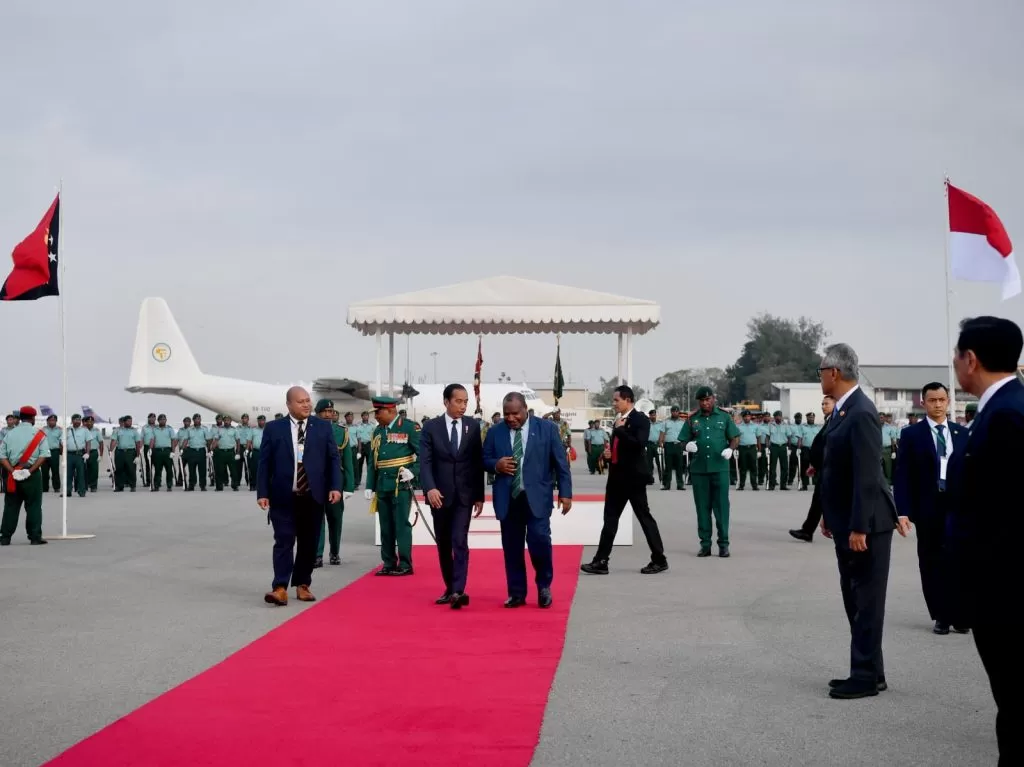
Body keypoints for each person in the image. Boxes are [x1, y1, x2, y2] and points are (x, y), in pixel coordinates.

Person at [947, 316, 1024, 763]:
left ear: (970, 359)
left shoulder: (1008, 415)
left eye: (957, 356)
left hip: (1006, 595)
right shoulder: (1003, 407)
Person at [817, 343, 908, 699]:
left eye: (821, 370)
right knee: (855, 600)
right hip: (847, 520)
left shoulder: (860, 412)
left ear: (835, 372)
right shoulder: (843, 411)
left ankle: (865, 677)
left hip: (867, 525)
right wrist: (830, 514)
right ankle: (872, 670)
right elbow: (836, 469)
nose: (821, 376)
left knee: (866, 601)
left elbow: (868, 475)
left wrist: (858, 526)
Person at [893, 382, 969, 635]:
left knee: (958, 560)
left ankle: (959, 613)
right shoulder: (911, 435)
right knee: (931, 560)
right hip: (928, 507)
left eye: (942, 400)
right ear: (923, 403)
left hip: (957, 506)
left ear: (948, 401)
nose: (938, 405)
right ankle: (941, 615)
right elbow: (902, 475)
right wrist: (901, 511)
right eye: (932, 400)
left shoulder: (962, 433)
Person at [483, 392, 572, 608]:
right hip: (508, 498)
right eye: (507, 414)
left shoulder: (547, 429)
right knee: (512, 548)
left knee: (540, 541)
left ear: (525, 410)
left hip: (537, 498)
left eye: (515, 413)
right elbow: (483, 459)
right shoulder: (495, 432)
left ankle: (544, 586)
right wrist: (496, 465)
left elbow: (561, 463)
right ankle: (516, 593)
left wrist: (566, 493)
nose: (511, 418)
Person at [257, 386, 342, 606]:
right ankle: (280, 587)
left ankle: (303, 584)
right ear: (289, 405)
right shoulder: (274, 429)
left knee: (309, 543)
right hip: (283, 495)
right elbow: (264, 463)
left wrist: (335, 487)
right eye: (300, 401)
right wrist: (263, 493)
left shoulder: (322, 427)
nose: (306, 405)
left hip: (313, 495)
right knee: (283, 540)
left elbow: (333, 459)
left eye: (308, 401)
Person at [581, 385, 668, 575]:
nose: (613, 404)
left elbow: (639, 444)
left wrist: (620, 431)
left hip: (633, 478)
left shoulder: (640, 420)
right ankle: (601, 561)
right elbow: (621, 446)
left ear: (627, 400)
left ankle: (659, 559)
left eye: (616, 400)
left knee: (644, 518)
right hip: (616, 478)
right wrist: (609, 454)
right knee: (610, 519)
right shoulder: (618, 420)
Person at [419, 384, 485, 609]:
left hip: (464, 496)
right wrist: (430, 488)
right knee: (444, 544)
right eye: (458, 401)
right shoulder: (431, 427)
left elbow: (477, 462)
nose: (463, 406)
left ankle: (458, 590)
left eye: (466, 402)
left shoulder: (473, 426)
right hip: (439, 495)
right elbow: (425, 462)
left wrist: (479, 495)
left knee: (459, 540)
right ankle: (450, 587)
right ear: (446, 401)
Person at [679, 386, 740, 557]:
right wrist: (687, 446)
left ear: (713, 399)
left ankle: (724, 544)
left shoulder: (724, 417)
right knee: (702, 508)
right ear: (698, 402)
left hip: (719, 468)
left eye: (708, 399)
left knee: (721, 507)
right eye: (702, 400)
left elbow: (734, 437)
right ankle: (705, 544)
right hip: (699, 470)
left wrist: (731, 449)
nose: (705, 403)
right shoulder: (692, 420)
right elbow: (683, 440)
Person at [364, 396, 420, 576]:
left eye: (378, 412)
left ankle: (405, 563)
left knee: (401, 524)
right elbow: (374, 461)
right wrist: (370, 485)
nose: (376, 416)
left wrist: (413, 471)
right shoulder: (377, 431)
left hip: (400, 485)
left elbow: (425, 455)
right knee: (385, 525)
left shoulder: (409, 427)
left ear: (390, 411)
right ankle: (388, 562)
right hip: (382, 485)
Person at [312, 399, 354, 568]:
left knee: (335, 519)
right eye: (325, 411)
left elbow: (348, 461)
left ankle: (334, 552)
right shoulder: (309, 430)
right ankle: (317, 554)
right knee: (317, 520)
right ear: (318, 412)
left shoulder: (340, 431)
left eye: (331, 411)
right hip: (315, 482)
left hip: (335, 482)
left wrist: (349, 486)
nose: (329, 414)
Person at [0, 406, 50, 546]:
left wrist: (12, 471)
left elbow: (2, 456)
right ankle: (34, 537)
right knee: (34, 506)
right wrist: (30, 470)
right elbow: (43, 456)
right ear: (33, 418)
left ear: (20, 417)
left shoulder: (9, 434)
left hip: (12, 476)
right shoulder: (39, 434)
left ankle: (5, 537)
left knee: (10, 507)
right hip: (32, 476)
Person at [788, 395, 834, 542]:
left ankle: (837, 528)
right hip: (823, 466)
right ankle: (808, 531)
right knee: (819, 500)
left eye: (826, 403)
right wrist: (815, 464)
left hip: (831, 468)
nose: (823, 406)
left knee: (827, 500)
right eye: (822, 404)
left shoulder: (838, 421)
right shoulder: (830, 420)